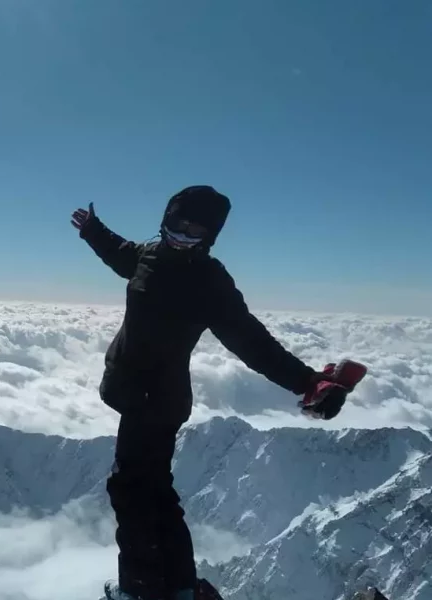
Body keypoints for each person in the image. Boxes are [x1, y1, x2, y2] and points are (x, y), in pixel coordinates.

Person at [71, 185, 339, 600]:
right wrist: (92, 229)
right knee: (156, 489)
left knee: (131, 490)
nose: (182, 236)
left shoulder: (208, 281)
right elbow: (120, 253)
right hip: (135, 393)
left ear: (210, 237)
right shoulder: (149, 256)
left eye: (195, 231)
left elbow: (252, 341)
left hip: (156, 400)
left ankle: (140, 590)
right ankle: (178, 585)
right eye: (178, 224)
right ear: (165, 219)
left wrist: (306, 381)